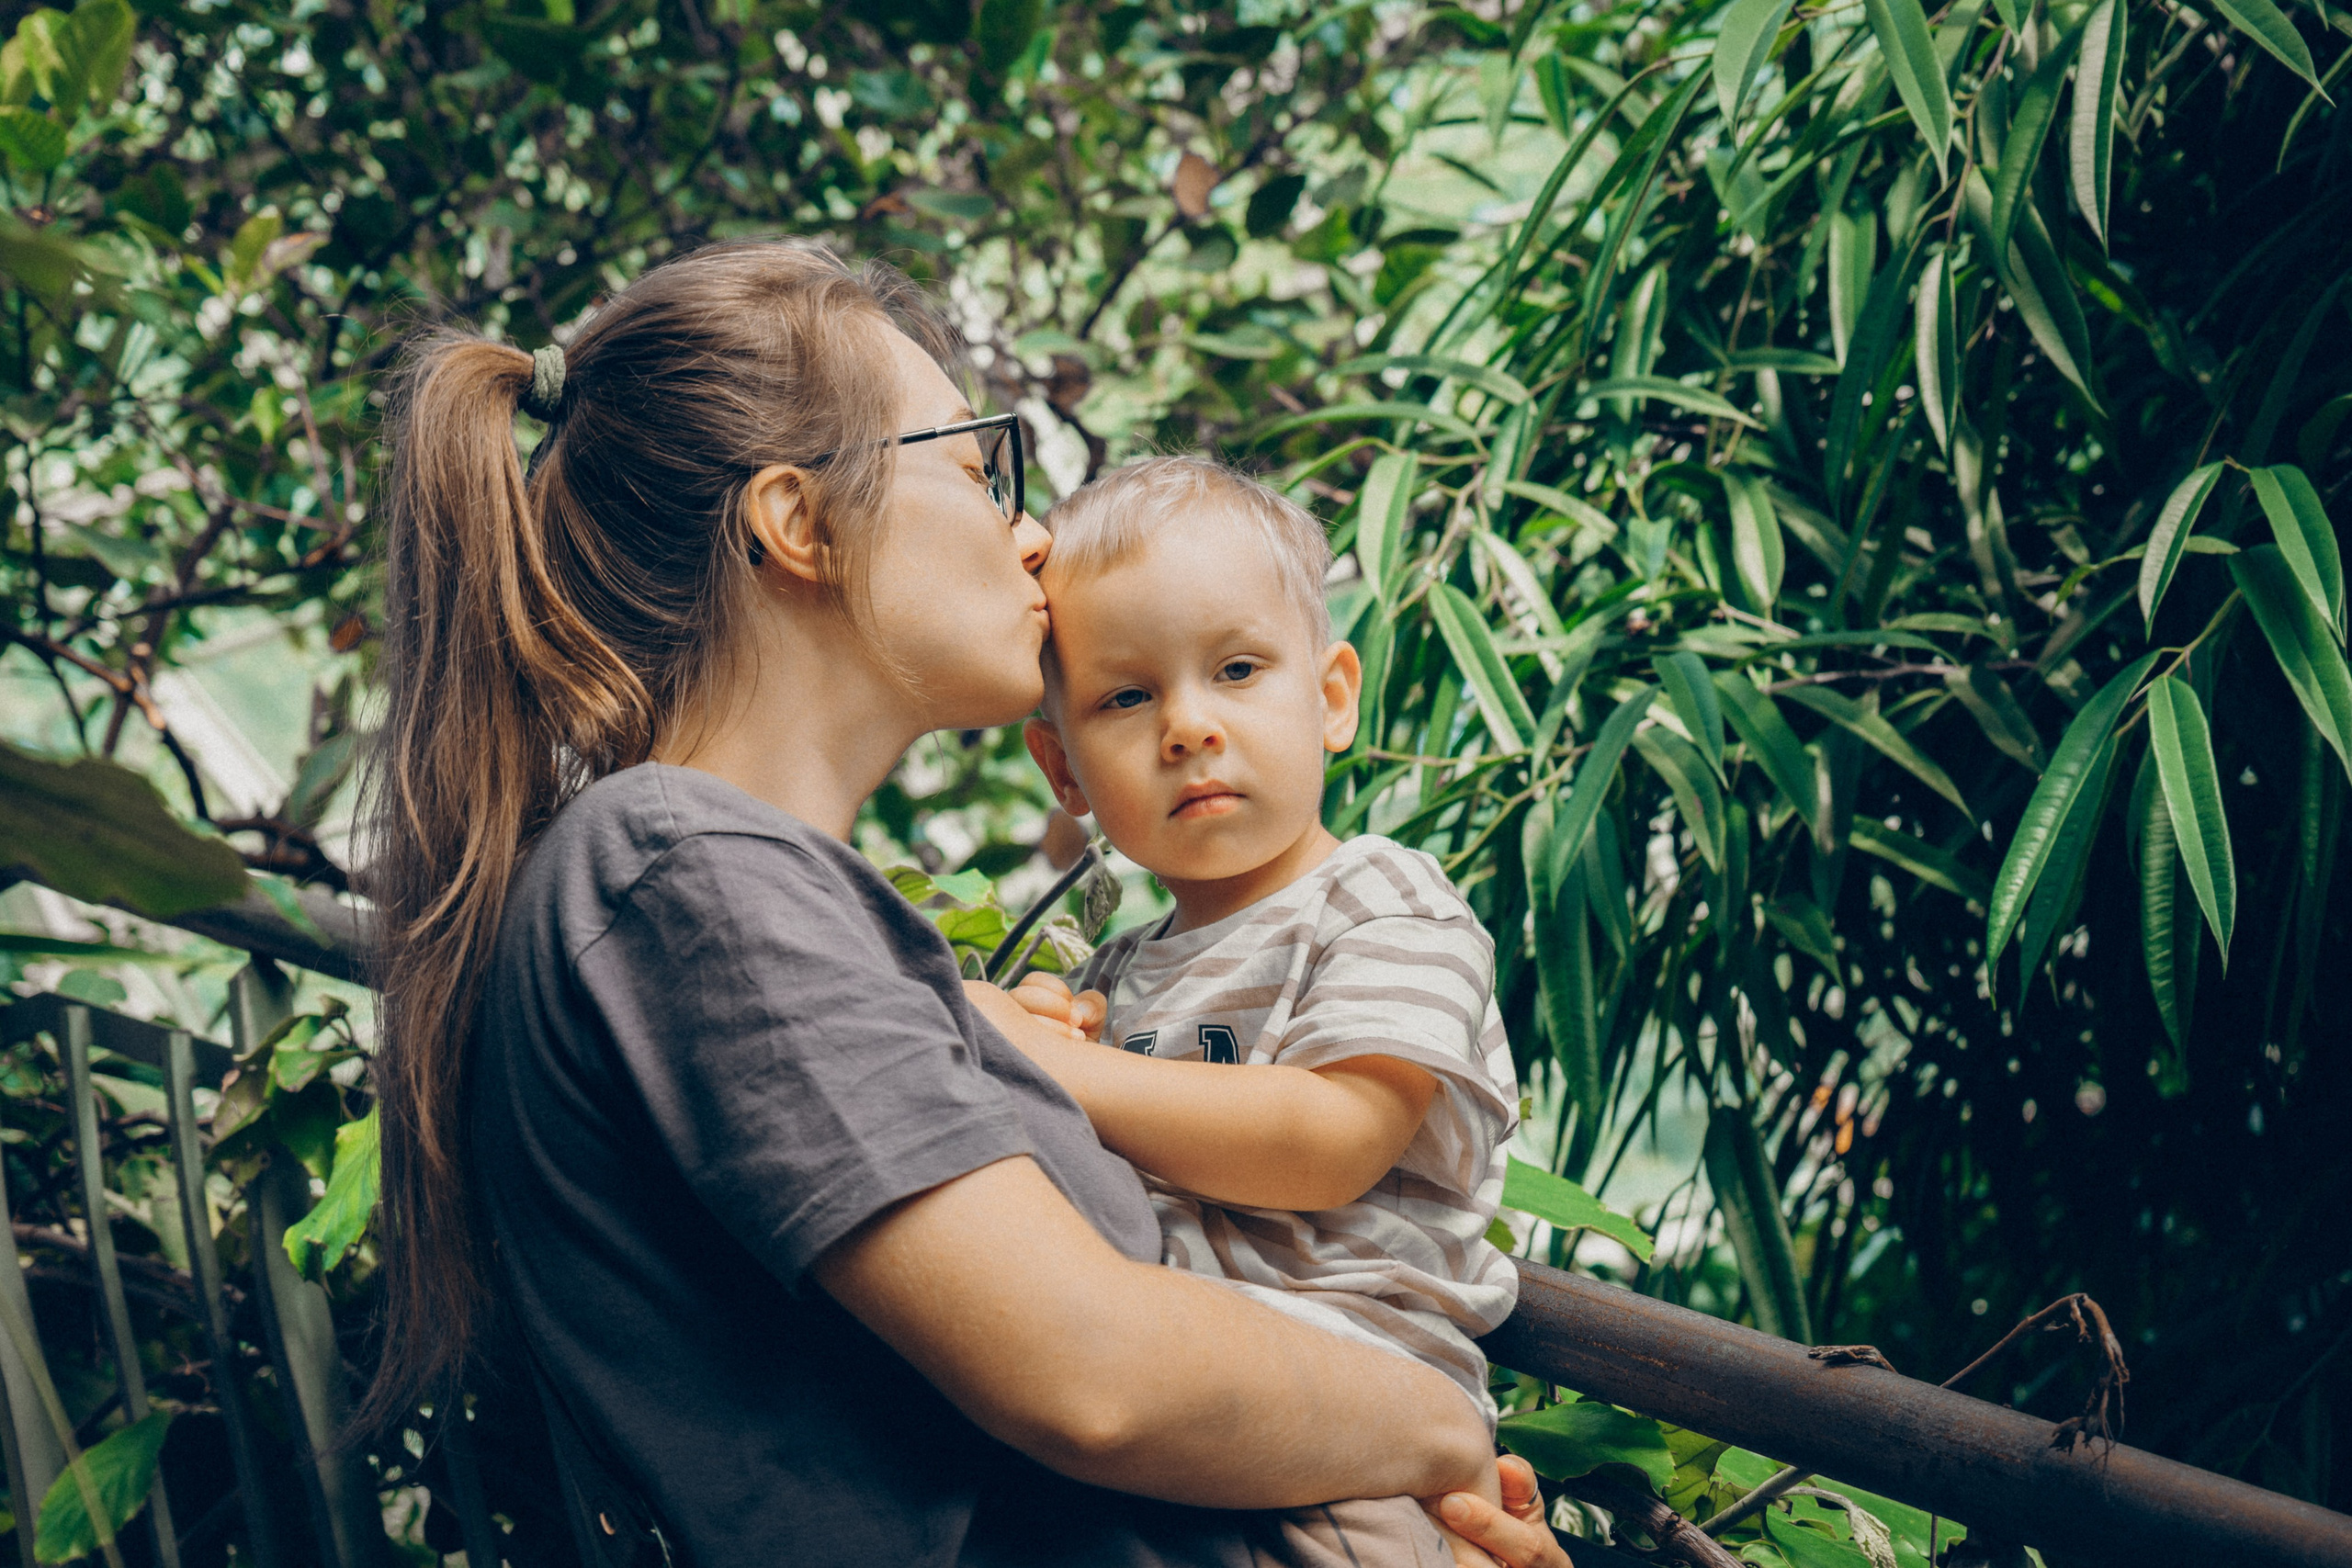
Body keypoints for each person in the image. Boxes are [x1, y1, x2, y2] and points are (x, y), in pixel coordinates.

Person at [360, 238, 1574, 1568]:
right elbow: (1093, 1373)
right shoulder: (682, 870)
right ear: (801, 522)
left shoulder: (718, 881)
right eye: (977, 465)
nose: (1036, 532)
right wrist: (1434, 1423)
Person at [985, 456, 1519, 1568]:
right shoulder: (1124, 966)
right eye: (1125, 697)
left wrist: (1069, 1074)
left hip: (1352, 1428)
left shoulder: (1380, 899)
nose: (1186, 727)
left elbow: (1330, 1144)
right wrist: (1042, 1049)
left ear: (1329, 697)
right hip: (1192, 1405)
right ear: (1064, 768)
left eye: (1235, 669)